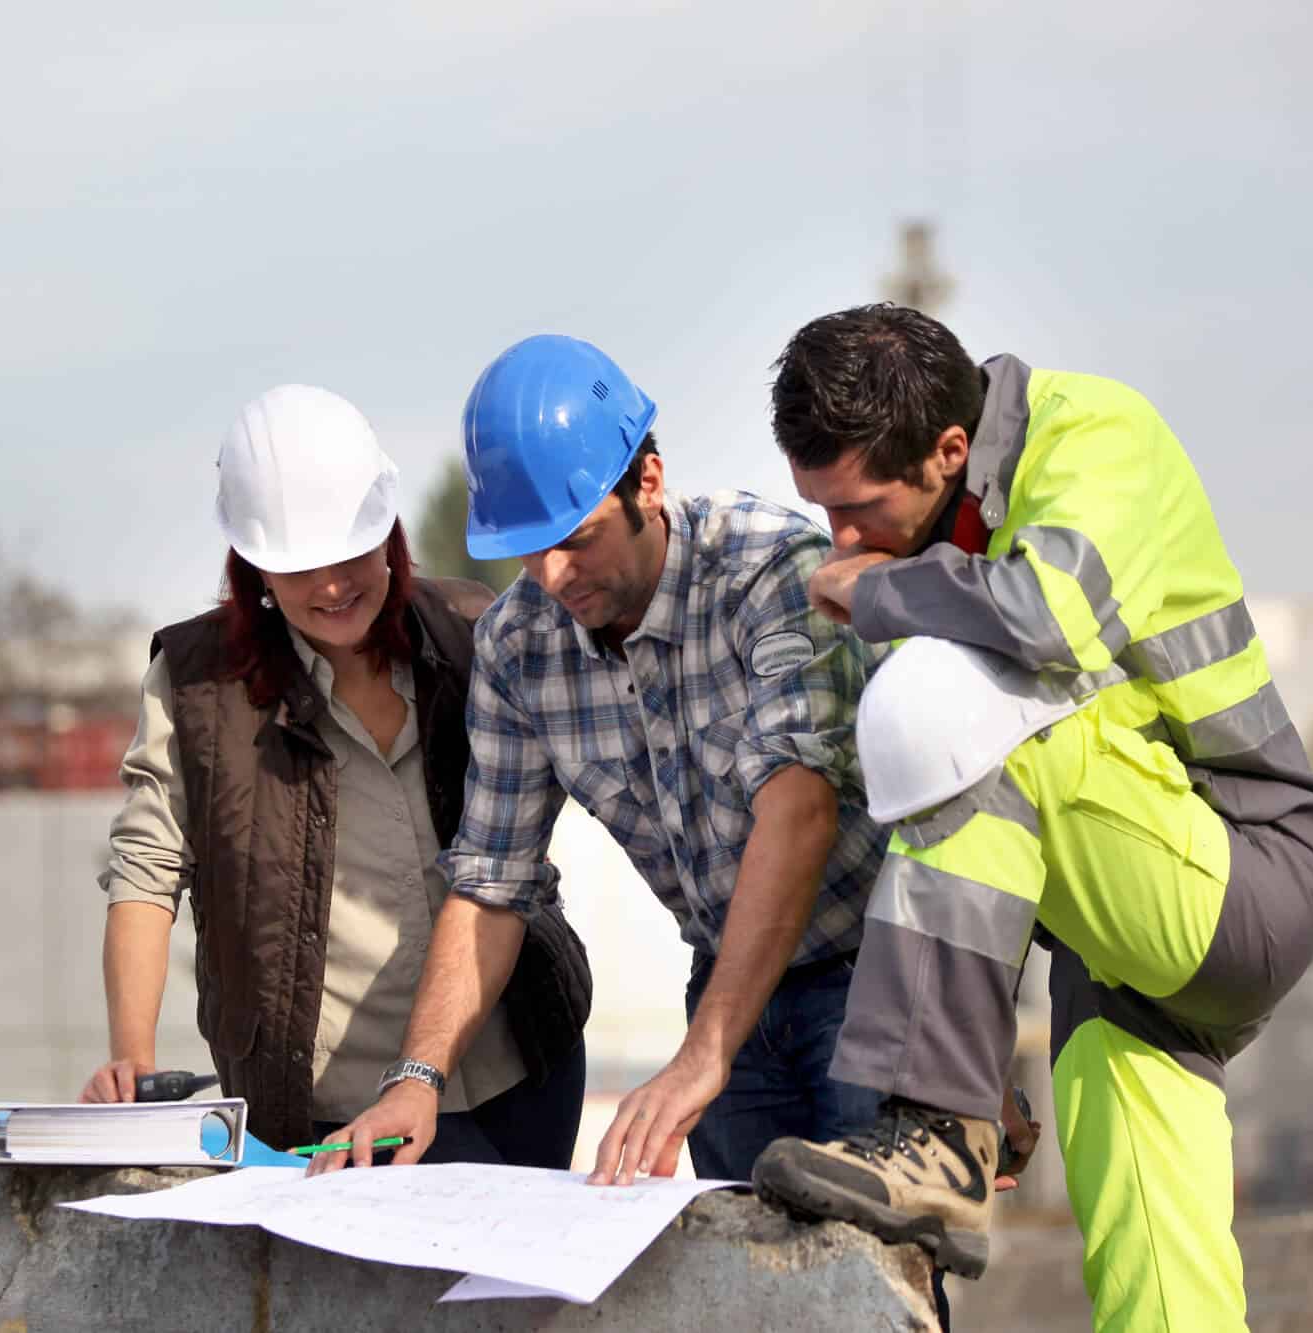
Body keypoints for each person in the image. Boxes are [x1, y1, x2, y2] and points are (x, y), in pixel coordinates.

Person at [748, 305, 1313, 1331]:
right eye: (824, 515)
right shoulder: (945, 542)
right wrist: (978, 1052)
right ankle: (949, 1113)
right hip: (1113, 944)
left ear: (949, 450)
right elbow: (977, 847)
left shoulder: (1095, 437)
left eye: (856, 510)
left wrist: (884, 586)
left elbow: (1047, 619)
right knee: (1156, 1288)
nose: (836, 547)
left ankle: (936, 1133)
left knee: (950, 712)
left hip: (1243, 874)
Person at [315, 334, 890, 1186]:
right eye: (527, 550)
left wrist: (702, 1054)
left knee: (879, 1289)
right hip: (726, 984)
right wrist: (417, 1076)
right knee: (755, 1287)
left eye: (576, 539)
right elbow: (490, 886)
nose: (551, 575)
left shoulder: (771, 571)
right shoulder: (519, 646)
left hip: (874, 980)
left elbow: (798, 810)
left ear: (647, 484)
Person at [80, 383, 589, 1171]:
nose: (330, 585)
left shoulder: (471, 632)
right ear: (251, 566)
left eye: (350, 551)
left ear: (389, 529)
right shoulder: (195, 685)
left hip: (520, 1065)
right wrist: (132, 1058)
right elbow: (146, 873)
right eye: (297, 565)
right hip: (336, 1110)